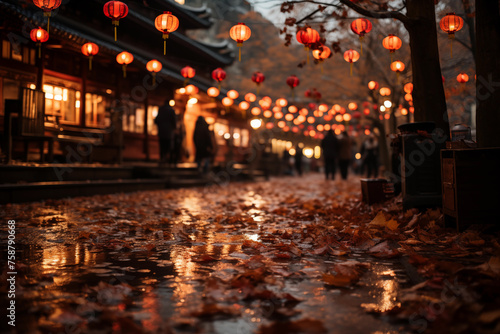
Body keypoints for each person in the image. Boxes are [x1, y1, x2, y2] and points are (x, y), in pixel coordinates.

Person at [155, 95, 176, 166]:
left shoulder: (161, 109)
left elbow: (156, 120)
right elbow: (174, 122)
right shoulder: (171, 110)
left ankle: (162, 158)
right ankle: (167, 159)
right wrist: (174, 129)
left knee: (162, 146)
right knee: (168, 146)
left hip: (161, 132)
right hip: (169, 132)